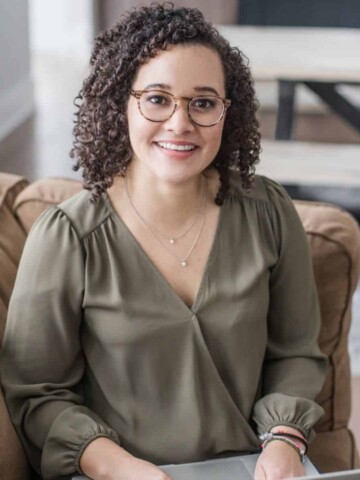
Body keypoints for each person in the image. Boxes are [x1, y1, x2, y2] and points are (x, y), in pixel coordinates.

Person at [1, 3, 328, 480]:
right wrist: (120, 468)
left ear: (226, 112)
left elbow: (296, 351)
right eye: (157, 98)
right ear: (120, 103)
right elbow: (36, 391)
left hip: (252, 466)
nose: (180, 123)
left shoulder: (269, 212)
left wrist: (284, 440)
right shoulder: (68, 236)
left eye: (203, 102)